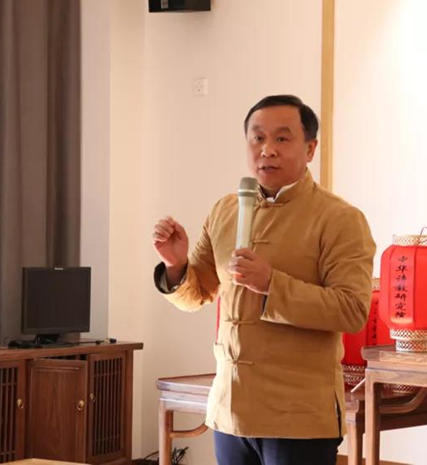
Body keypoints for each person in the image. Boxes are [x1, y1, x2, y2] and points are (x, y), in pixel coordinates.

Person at [152, 95, 375, 465]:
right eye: (257, 138)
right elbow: (198, 293)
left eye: (282, 138)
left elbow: (351, 310)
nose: (267, 150)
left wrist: (273, 284)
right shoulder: (225, 210)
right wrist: (175, 266)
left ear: (311, 149)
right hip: (230, 410)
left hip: (299, 418)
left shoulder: (339, 219)